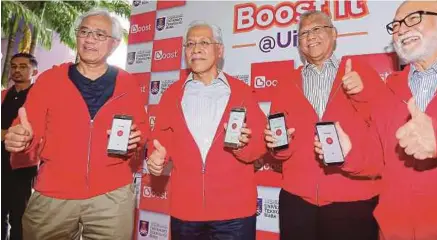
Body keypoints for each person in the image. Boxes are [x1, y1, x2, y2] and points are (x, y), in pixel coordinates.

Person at [316, 0, 437, 239]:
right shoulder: (390, 89)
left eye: (413, 18)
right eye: (395, 25)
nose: (401, 29)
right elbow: (380, 160)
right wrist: (349, 153)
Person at [4, 9, 149, 240]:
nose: (90, 39)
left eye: (100, 34)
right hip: (53, 193)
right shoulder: (50, 80)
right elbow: (27, 128)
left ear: (113, 43)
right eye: (84, 31)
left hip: (112, 196)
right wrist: (20, 138)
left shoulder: (128, 83)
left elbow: (141, 130)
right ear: (77, 36)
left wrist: (136, 138)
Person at [264, 10, 384, 240]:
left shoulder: (360, 72)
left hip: (353, 199)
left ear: (334, 34)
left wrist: (365, 92)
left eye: (317, 29)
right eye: (304, 33)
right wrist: (278, 146)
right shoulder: (285, 82)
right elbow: (278, 149)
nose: (310, 36)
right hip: (297, 201)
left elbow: (383, 129)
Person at [146, 21, 266, 240]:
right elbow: (158, 144)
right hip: (186, 212)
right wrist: (156, 160)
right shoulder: (172, 95)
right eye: (190, 44)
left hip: (235, 215)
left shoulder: (242, 92)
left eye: (204, 42)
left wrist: (242, 146)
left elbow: (260, 145)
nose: (196, 49)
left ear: (219, 50)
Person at [1, 53, 39, 240]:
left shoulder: (39, 98)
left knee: (19, 215)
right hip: (1, 162)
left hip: (23, 165)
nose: (17, 70)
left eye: (23, 66)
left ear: (34, 71)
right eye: (14, 66)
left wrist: (5, 133)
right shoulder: (3, 95)